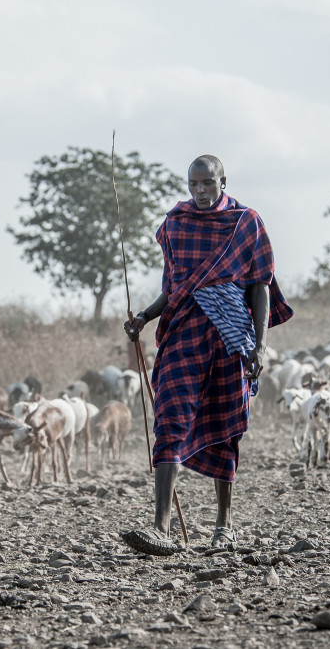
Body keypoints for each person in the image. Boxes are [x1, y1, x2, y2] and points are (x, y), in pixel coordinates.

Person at [121, 154, 293, 556]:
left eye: (207, 184)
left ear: (223, 182)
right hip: (183, 335)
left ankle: (224, 526)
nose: (199, 192)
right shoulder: (176, 226)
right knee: (170, 420)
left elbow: (260, 286)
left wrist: (258, 344)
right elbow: (175, 285)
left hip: (230, 338)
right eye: (192, 185)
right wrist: (145, 316)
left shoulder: (245, 223)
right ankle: (160, 529)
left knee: (226, 426)